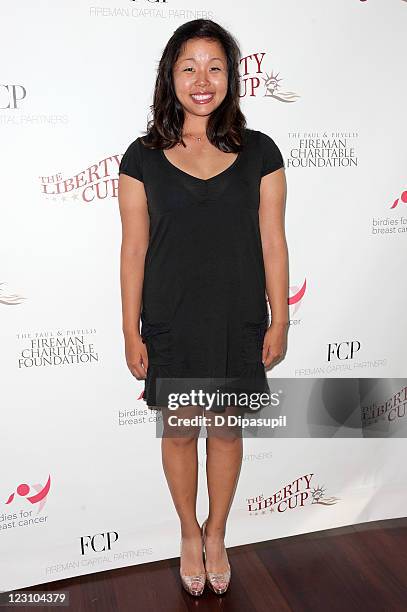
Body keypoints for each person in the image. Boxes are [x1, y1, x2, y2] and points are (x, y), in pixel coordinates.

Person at [118, 18, 288, 597]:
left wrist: (281, 317)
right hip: (172, 318)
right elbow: (134, 248)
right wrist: (129, 330)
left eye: (215, 66)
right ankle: (188, 533)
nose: (202, 78)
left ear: (230, 78)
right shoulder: (141, 158)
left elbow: (273, 241)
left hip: (237, 316)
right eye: (189, 66)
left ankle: (218, 532)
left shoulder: (261, 152)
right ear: (171, 75)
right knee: (180, 431)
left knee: (225, 431)